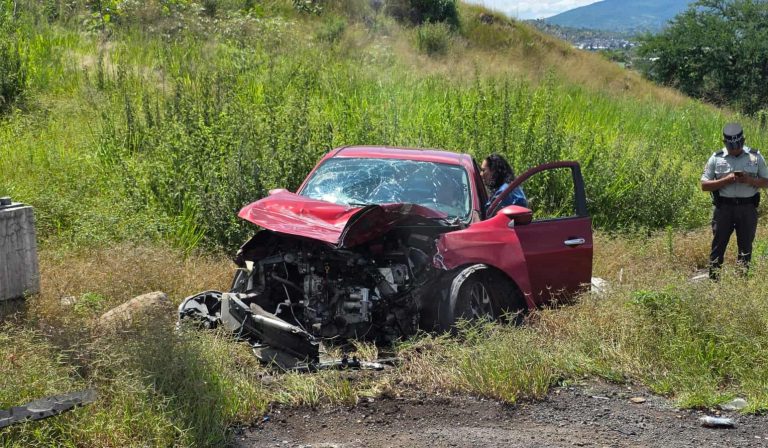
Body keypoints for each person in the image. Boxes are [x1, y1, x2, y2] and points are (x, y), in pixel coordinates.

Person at [701, 123, 768, 279]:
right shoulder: (716, 158)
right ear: (725, 143)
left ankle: (742, 281)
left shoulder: (755, 157)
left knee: (745, 247)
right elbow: (704, 185)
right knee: (718, 246)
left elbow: (767, 181)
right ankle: (713, 281)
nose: (735, 149)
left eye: (738, 146)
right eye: (731, 147)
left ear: (743, 141)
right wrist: (726, 180)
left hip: (747, 209)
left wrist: (750, 180)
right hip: (724, 209)